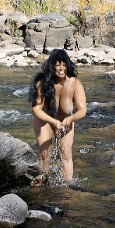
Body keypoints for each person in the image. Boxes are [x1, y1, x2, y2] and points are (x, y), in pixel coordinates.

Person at [28, 49, 87, 184]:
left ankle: (67, 187)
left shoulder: (75, 84)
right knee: (44, 154)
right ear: (51, 66)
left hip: (66, 120)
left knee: (66, 155)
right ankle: (43, 184)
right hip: (45, 119)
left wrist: (70, 119)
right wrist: (53, 122)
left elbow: (82, 110)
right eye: (58, 65)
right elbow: (36, 110)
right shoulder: (42, 83)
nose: (61, 68)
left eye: (64, 65)